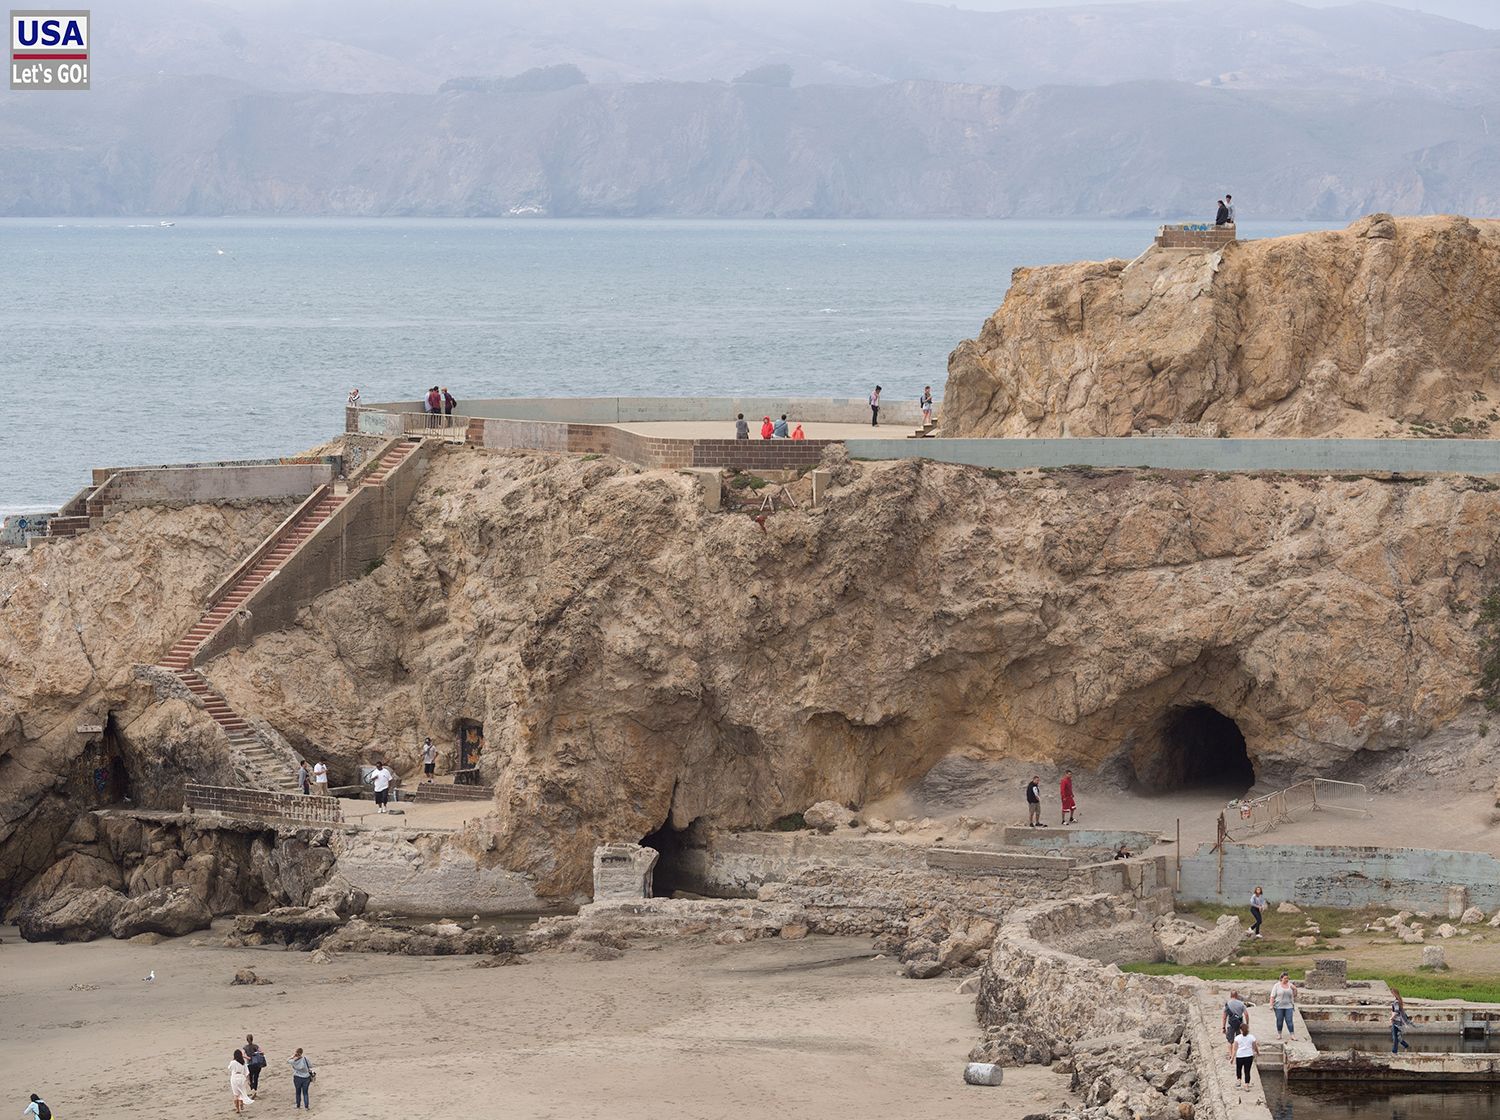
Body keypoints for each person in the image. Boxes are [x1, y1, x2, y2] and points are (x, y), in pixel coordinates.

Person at [1228, 1020, 1259, 1091]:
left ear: (1240, 1030)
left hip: (1240, 1056)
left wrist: (1232, 1058)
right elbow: (1255, 1047)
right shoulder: (1252, 1037)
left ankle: (1239, 1081)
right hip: (1249, 1056)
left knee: (1239, 1069)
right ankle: (1246, 1085)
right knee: (1247, 1071)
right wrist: (1257, 1052)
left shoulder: (1237, 1038)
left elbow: (1235, 1049)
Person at [1270, 972, 1298, 1039]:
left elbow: (1295, 994)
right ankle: (1279, 1034)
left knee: (1289, 1020)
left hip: (1289, 1006)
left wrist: (1295, 990)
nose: (1286, 980)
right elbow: (1272, 996)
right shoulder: (1277, 985)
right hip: (1279, 1006)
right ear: (1281, 978)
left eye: (1287, 978)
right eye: (1285, 978)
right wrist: (1271, 1005)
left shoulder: (1290, 985)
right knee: (1280, 1021)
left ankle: (1292, 1035)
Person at [228, 1050, 252, 1114]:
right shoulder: (243, 1063)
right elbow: (247, 1073)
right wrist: (249, 1080)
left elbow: (229, 1068)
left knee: (236, 1094)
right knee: (242, 1091)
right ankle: (241, 1103)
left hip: (234, 1078)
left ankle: (237, 1109)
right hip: (241, 1078)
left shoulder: (233, 1062)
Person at [1391, 988, 1414, 1054]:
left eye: (1392, 993)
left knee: (1395, 1037)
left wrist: (1391, 1018)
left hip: (1396, 1021)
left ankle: (1394, 1051)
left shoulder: (1396, 1001)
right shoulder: (1399, 1000)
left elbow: (1396, 1011)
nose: (1392, 994)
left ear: (1394, 993)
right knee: (1398, 1036)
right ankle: (1405, 1045)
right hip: (1399, 1021)